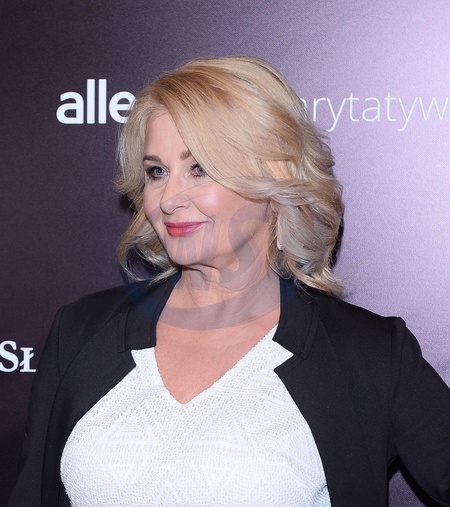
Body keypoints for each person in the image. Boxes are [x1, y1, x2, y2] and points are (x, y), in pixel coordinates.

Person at [8, 56, 450, 507]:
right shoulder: (81, 331)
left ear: (273, 182)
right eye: (157, 171)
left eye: (198, 168)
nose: (168, 198)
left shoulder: (368, 354)